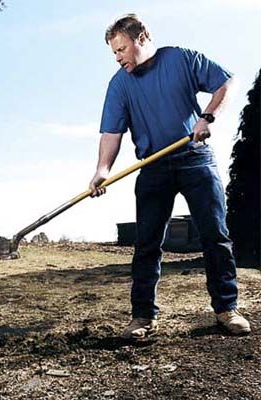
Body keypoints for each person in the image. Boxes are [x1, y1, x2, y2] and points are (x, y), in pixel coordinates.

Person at [89, 14, 251, 338]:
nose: (118, 57)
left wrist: (208, 117)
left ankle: (226, 309)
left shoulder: (180, 58)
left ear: (142, 38)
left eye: (121, 49)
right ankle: (142, 318)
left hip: (195, 158)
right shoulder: (119, 85)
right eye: (114, 53)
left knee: (214, 235)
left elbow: (226, 82)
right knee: (146, 244)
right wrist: (101, 171)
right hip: (152, 166)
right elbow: (111, 132)